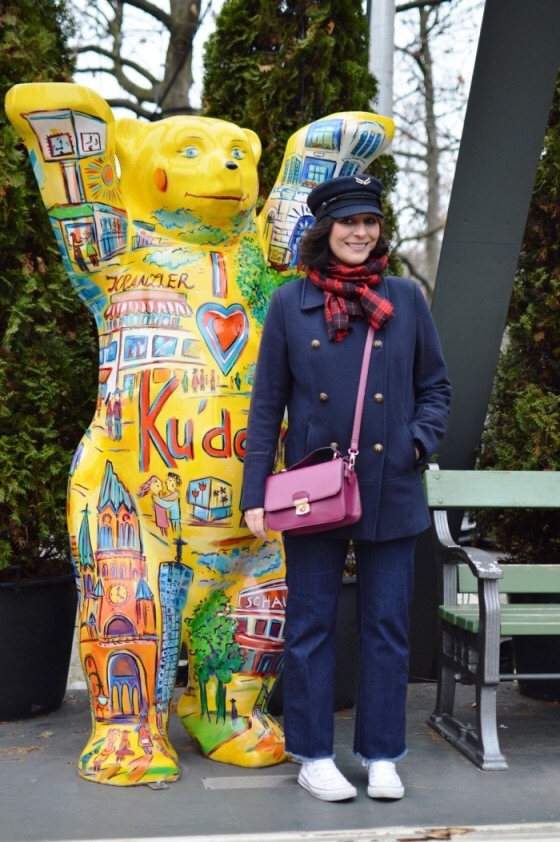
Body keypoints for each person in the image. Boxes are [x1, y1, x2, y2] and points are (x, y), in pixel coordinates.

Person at [241, 174, 451, 803]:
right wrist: (256, 494)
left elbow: (436, 389)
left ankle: (383, 754)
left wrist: (415, 443)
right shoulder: (289, 304)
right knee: (310, 623)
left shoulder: (405, 299)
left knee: (387, 624)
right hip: (314, 488)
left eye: (370, 222)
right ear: (324, 230)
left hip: (393, 485)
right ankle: (311, 754)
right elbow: (266, 404)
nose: (360, 233)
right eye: (347, 222)